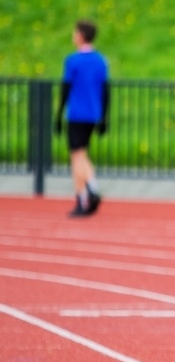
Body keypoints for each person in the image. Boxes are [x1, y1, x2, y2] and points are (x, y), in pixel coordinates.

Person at [54, 19, 110, 217]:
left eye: (74, 32)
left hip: (76, 113)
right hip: (93, 113)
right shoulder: (101, 60)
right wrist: (104, 117)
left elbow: (65, 89)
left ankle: (82, 196)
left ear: (80, 35)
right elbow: (105, 90)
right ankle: (92, 188)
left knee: (76, 156)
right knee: (82, 152)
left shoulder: (73, 60)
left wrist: (58, 115)